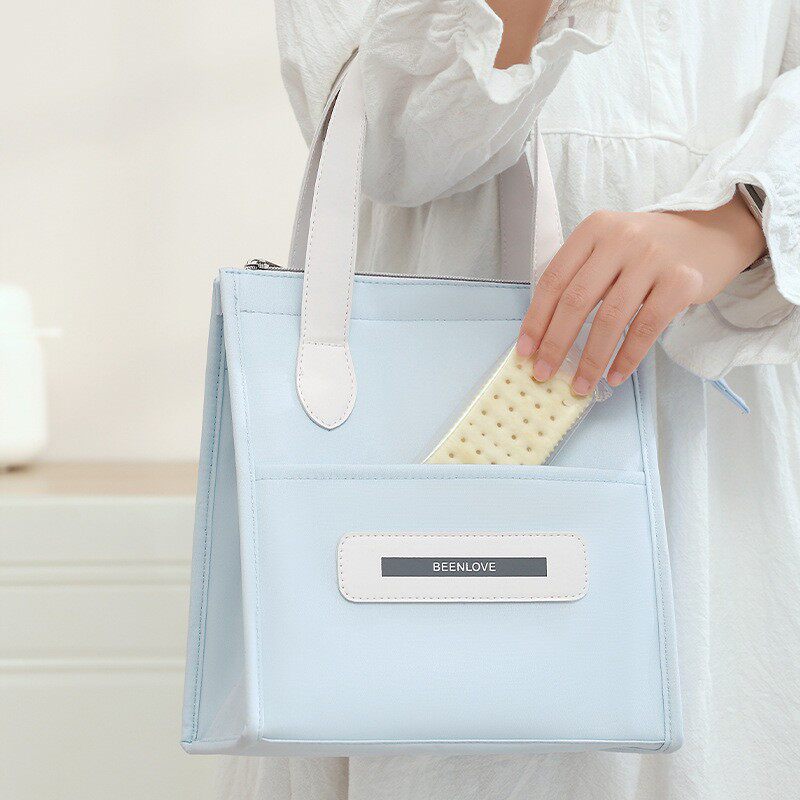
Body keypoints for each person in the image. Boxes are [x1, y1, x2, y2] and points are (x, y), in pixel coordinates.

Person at [218, 1, 800, 797]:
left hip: (713, 377)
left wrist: (739, 216)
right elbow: (391, 144)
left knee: (710, 708)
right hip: (432, 384)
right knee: (446, 722)